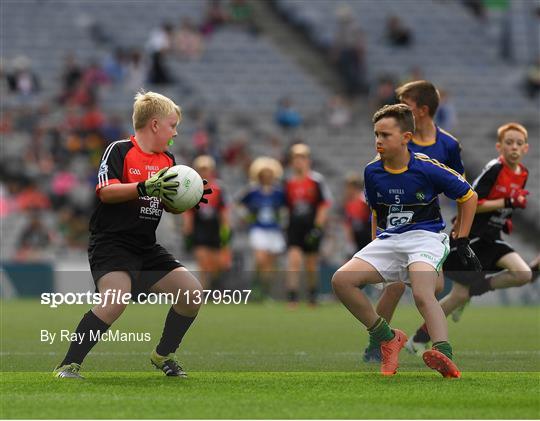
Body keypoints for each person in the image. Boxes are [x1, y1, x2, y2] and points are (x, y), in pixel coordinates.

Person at [54, 91, 212, 379]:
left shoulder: (168, 159)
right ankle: (69, 364)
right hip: (111, 243)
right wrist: (144, 186)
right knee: (115, 300)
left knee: (191, 293)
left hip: (145, 246)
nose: (175, 132)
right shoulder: (120, 150)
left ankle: (163, 354)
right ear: (154, 125)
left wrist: (188, 198)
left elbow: (166, 205)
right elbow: (106, 191)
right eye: (172, 125)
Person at [331, 104, 480, 378]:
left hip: (426, 237)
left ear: (406, 138)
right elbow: (377, 212)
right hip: (390, 239)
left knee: (424, 293)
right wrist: (376, 245)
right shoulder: (372, 171)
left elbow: (469, 196)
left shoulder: (426, 168)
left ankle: (443, 353)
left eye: (385, 135)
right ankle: (387, 338)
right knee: (341, 281)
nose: (378, 140)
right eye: (376, 134)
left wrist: (462, 239)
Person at [407, 122, 534, 354]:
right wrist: (506, 203)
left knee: (523, 273)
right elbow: (473, 200)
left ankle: (478, 289)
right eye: (509, 142)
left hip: (491, 238)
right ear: (499, 146)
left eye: (519, 143)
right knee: (458, 296)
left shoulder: (523, 173)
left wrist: (506, 215)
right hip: (471, 237)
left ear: (526, 148)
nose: (514, 147)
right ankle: (418, 338)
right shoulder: (495, 169)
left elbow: (503, 206)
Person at [363, 80, 466, 362]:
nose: (398, 107)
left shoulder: (447, 145)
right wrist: (377, 238)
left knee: (432, 289)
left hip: (428, 228)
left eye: (404, 102)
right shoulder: (390, 142)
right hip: (397, 228)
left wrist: (461, 227)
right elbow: (379, 194)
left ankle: (425, 340)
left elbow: (462, 187)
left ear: (421, 110)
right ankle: (378, 344)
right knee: (394, 285)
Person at [284, 144, 332, 307]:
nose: (299, 162)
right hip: (294, 228)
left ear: (308, 161)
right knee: (294, 261)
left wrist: (317, 228)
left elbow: (324, 204)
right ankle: (292, 296)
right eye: (295, 158)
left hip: (311, 228)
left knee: (311, 264)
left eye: (302, 158)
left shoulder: (316, 181)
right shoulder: (288, 183)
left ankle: (312, 294)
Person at [236, 157, 286, 300]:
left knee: (270, 263)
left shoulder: (278, 192)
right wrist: (247, 216)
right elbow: (238, 204)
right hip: (258, 229)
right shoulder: (252, 191)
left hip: (274, 230)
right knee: (261, 259)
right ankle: (257, 286)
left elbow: (285, 208)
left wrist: (282, 218)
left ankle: (265, 290)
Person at [182, 155, 231, 290]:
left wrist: (226, 232)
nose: (204, 173)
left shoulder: (220, 190)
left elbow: (224, 212)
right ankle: (202, 293)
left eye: (206, 169)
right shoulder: (192, 190)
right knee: (203, 264)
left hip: (215, 231)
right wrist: (188, 232)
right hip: (200, 231)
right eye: (201, 169)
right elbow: (188, 213)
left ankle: (213, 288)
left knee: (217, 265)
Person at [342, 172, 371, 253]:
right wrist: (350, 242)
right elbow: (348, 224)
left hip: (368, 237)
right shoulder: (348, 204)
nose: (347, 190)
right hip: (357, 238)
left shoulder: (365, 201)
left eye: (349, 187)